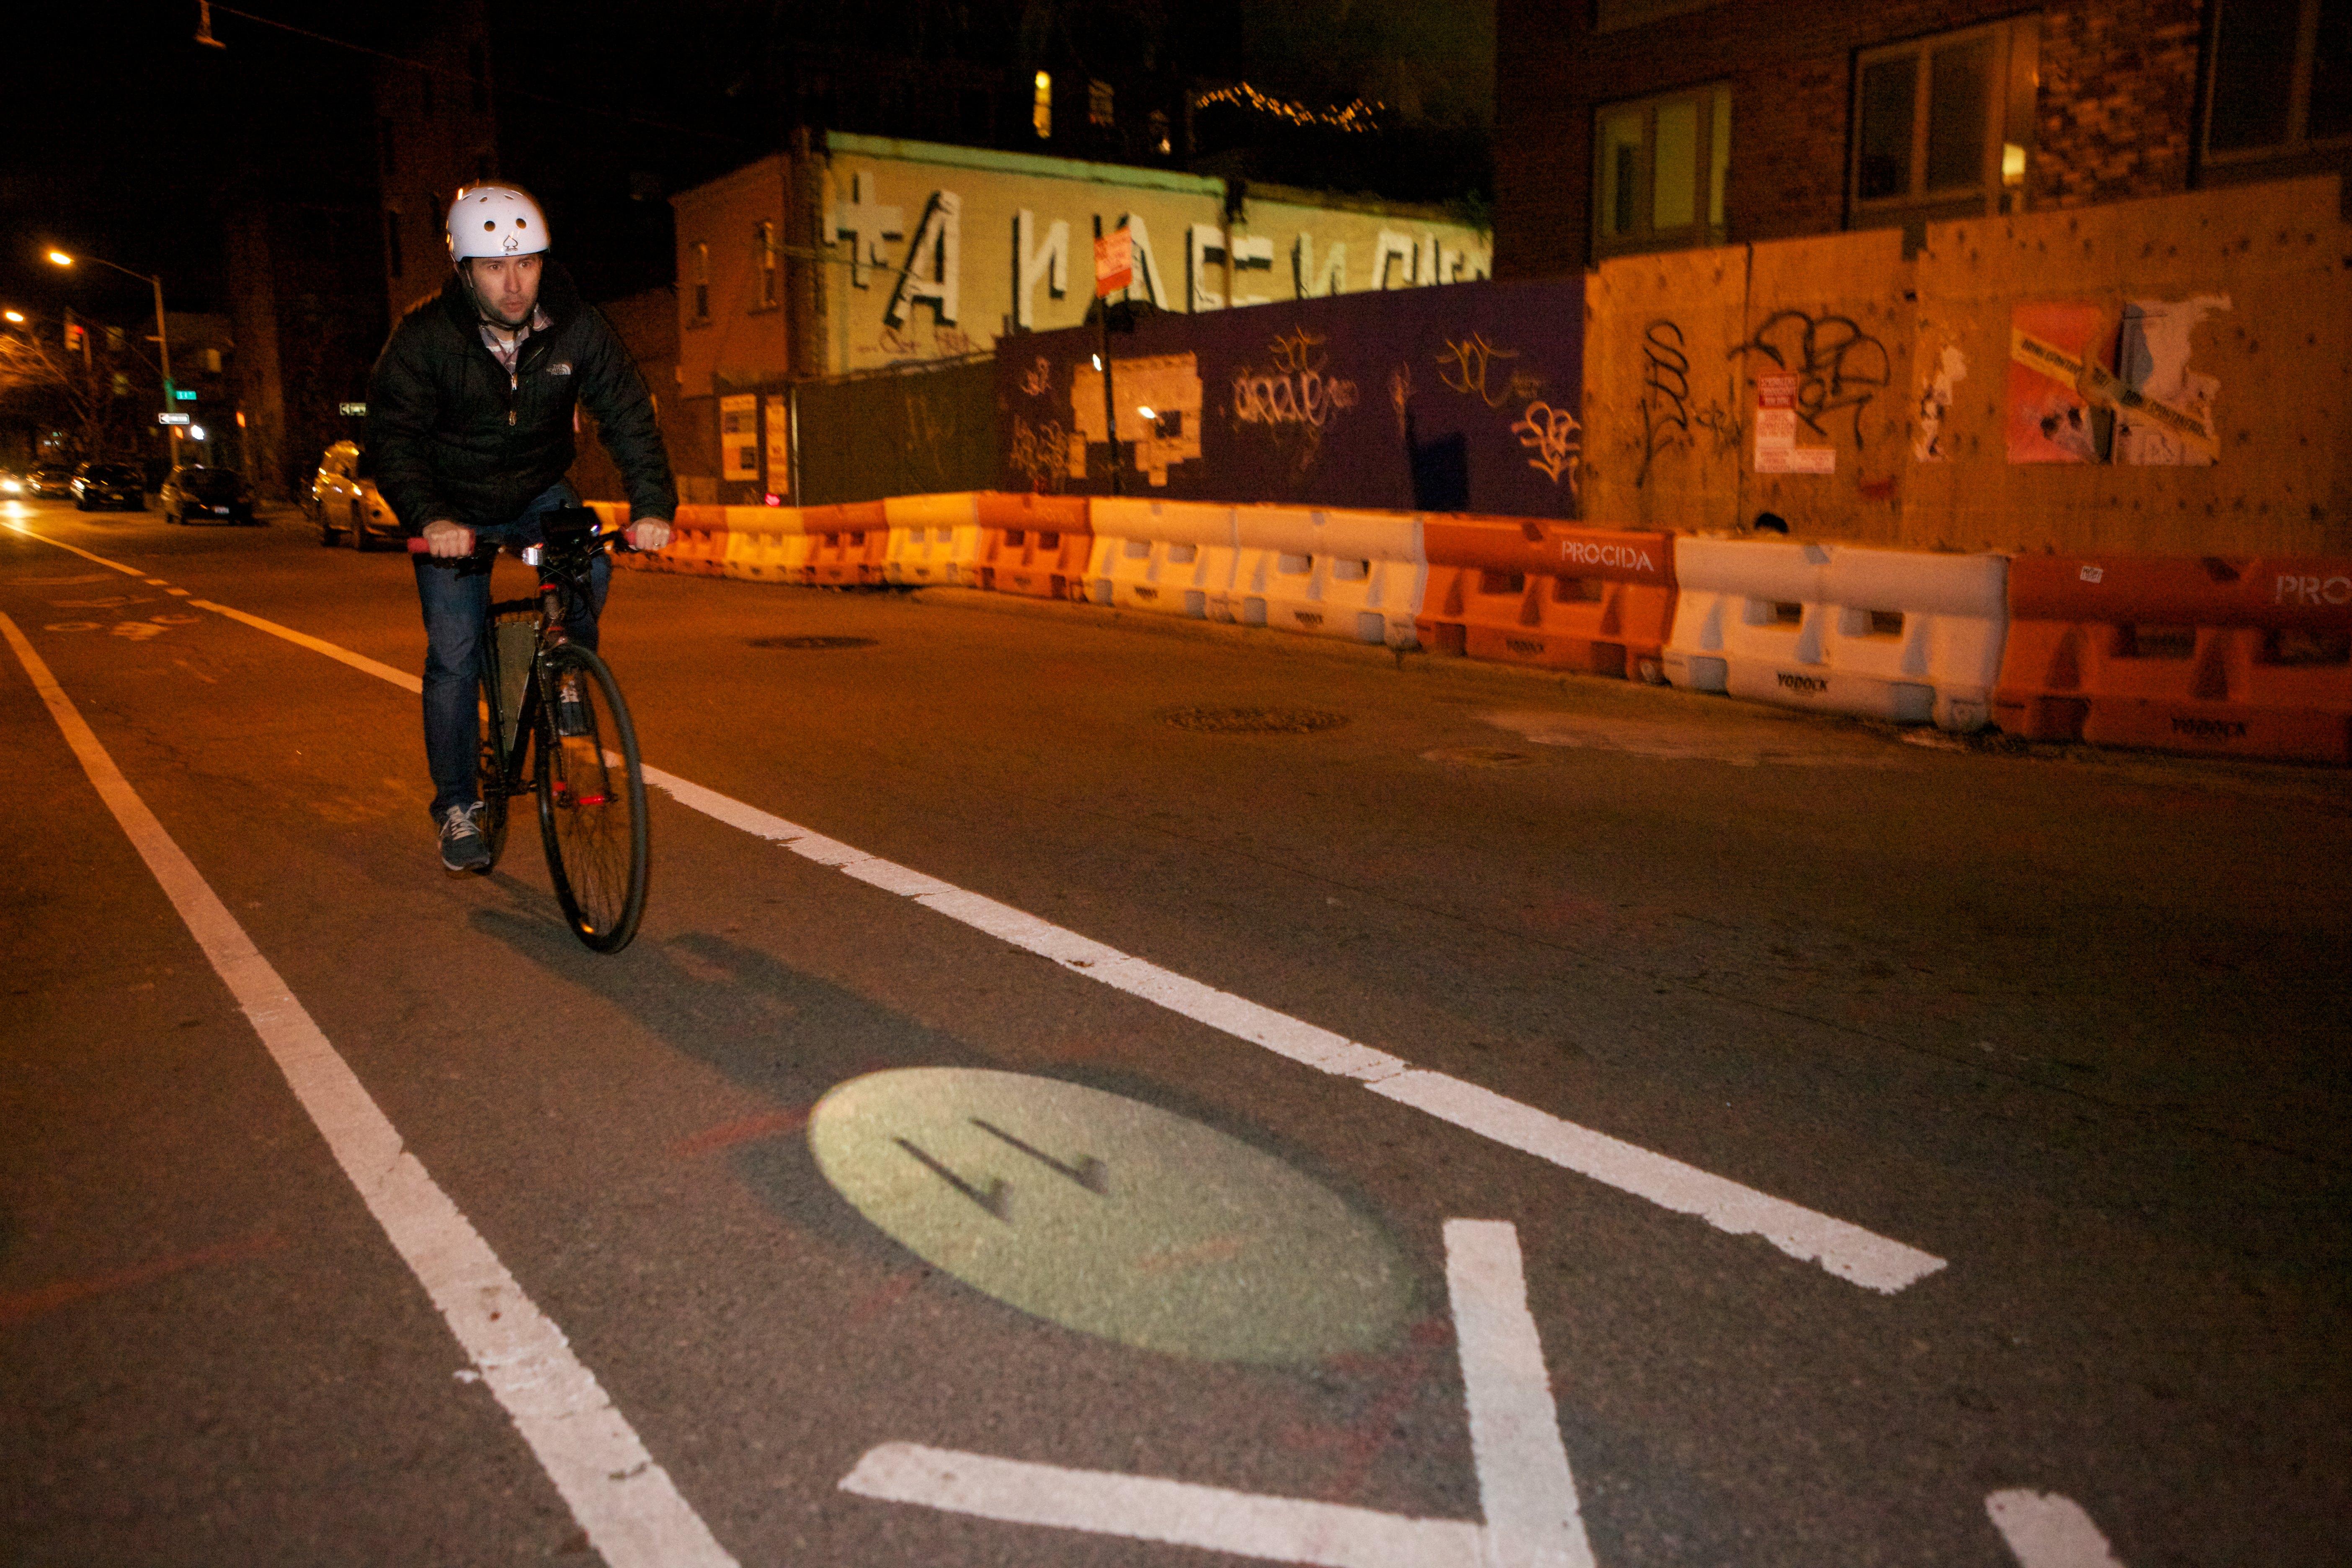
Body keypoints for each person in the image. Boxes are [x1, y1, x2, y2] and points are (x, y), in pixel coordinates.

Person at [366, 183, 675, 873]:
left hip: (537, 487)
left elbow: (627, 414)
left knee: (590, 558)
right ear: (463, 270)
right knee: (452, 653)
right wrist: (431, 518)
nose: (514, 285)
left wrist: (653, 507)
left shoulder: (576, 325)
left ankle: (566, 672)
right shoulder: (425, 340)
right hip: (451, 503)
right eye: (494, 268)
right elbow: (393, 440)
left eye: (528, 264)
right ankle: (456, 807)